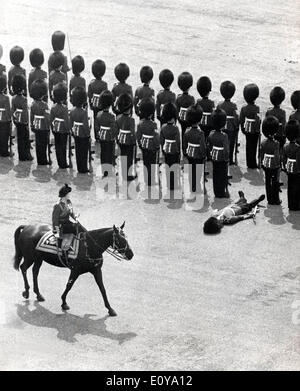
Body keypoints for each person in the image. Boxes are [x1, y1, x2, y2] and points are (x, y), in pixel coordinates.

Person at [183, 104, 206, 199]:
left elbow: (184, 145)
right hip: (198, 155)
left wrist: (185, 153)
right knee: (199, 173)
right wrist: (204, 155)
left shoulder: (187, 131)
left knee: (191, 172)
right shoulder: (200, 133)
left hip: (190, 154)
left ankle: (192, 189)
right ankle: (197, 189)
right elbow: (202, 147)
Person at [136, 98, 160, 187]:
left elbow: (138, 135)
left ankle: (147, 180)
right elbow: (156, 137)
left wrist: (140, 144)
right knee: (152, 163)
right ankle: (151, 180)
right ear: (151, 114)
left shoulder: (140, 124)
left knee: (146, 162)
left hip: (143, 145)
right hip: (152, 147)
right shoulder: (154, 124)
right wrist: (157, 146)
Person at [208, 108, 230, 198]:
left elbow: (209, 145)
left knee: (215, 173)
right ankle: (221, 192)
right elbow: (226, 150)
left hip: (214, 156)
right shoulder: (224, 136)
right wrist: (226, 159)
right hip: (222, 157)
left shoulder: (211, 133)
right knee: (222, 175)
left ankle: (216, 191)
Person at [95, 90, 118, 177]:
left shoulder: (99, 114)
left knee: (103, 153)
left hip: (102, 136)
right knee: (110, 154)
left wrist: (99, 134)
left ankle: (104, 170)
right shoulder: (111, 116)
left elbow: (97, 126)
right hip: (109, 138)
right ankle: (110, 171)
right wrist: (114, 136)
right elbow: (114, 130)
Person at [52, 183, 77, 262]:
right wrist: (56, 232)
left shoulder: (69, 202)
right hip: (61, 226)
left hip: (68, 222)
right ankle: (65, 250)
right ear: (65, 194)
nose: (69, 195)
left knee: (78, 227)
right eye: (68, 193)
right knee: (72, 230)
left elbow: (71, 212)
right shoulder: (58, 206)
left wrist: (75, 218)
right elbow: (55, 220)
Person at [260, 116, 281, 205]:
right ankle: (275, 199)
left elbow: (261, 154)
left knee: (268, 181)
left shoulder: (263, 142)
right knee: (275, 182)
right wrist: (279, 165)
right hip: (274, 165)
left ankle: (269, 199)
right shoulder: (276, 143)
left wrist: (262, 163)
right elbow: (277, 156)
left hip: (266, 164)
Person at [11, 74, 33, 161]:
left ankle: (21, 156)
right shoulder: (24, 99)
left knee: (20, 140)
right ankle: (27, 155)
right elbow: (25, 113)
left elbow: (13, 110)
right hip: (23, 122)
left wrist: (15, 120)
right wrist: (26, 122)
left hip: (17, 121)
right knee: (25, 139)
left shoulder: (13, 98)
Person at [160, 102, 181, 192]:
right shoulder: (176, 128)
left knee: (168, 165)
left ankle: (169, 184)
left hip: (166, 149)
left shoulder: (163, 127)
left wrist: (163, 150)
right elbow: (178, 142)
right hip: (174, 150)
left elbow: (161, 140)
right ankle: (174, 184)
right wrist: (179, 152)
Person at [116, 93, 137, 181]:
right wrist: (134, 141)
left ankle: (123, 173)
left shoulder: (118, 117)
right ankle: (128, 175)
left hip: (121, 139)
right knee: (129, 159)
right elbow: (132, 133)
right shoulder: (131, 120)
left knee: (123, 156)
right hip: (129, 141)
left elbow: (116, 130)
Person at [217, 81, 239, 165]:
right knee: (231, 143)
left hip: (222, 126)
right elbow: (236, 117)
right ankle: (230, 159)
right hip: (231, 127)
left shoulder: (220, 104)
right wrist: (236, 127)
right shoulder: (233, 105)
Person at [69, 86, 90, 173]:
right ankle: (84, 168)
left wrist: (72, 131)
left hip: (76, 132)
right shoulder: (84, 112)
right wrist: (88, 134)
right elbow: (85, 125)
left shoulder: (72, 110)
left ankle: (79, 167)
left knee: (78, 151)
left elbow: (70, 123)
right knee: (84, 152)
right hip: (83, 134)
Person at [240, 83, 261, 168]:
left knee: (248, 146)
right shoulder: (257, 108)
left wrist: (242, 127)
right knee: (254, 146)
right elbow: (257, 120)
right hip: (254, 129)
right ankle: (253, 162)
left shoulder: (244, 108)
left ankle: (249, 163)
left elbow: (241, 119)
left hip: (247, 127)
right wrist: (257, 129)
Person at [30, 79, 50, 165]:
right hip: (43, 127)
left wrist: (32, 125)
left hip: (36, 126)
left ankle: (39, 160)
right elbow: (47, 118)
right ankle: (44, 161)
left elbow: (32, 116)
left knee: (38, 144)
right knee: (44, 145)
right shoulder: (44, 105)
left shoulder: (33, 104)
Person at [50, 82, 70, 169]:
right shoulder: (65, 108)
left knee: (58, 147)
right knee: (63, 147)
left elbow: (51, 120)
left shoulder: (53, 107)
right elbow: (66, 121)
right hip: (63, 130)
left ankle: (59, 163)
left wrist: (52, 129)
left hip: (56, 129)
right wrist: (68, 129)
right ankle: (63, 163)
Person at [87, 59, 107, 141]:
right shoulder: (104, 84)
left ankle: (96, 136)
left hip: (94, 105)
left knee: (96, 119)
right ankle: (101, 134)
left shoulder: (91, 84)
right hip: (101, 105)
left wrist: (91, 104)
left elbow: (89, 95)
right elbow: (106, 96)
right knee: (101, 120)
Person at [282, 119, 300, 211]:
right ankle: (296, 205)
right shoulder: (298, 148)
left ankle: (290, 204)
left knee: (290, 186)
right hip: (296, 170)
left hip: (289, 168)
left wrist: (285, 167)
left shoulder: (285, 146)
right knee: (297, 188)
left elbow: (284, 159)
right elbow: (298, 161)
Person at [176, 72, 195, 154]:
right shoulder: (191, 99)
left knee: (183, 132)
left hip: (181, 119)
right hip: (189, 120)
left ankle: (184, 150)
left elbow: (177, 110)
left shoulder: (178, 98)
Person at [196, 76, 215, 145]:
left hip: (200, 125)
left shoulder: (198, 102)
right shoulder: (211, 103)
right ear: (209, 89)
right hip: (209, 126)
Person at [0, 74, 12, 157]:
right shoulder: (6, 98)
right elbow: (8, 111)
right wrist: (9, 119)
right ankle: (4, 152)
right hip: (4, 119)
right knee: (4, 136)